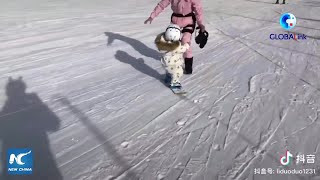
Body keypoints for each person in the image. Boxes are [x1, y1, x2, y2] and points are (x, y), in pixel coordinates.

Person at [144, 0, 206, 74]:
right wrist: (152, 16)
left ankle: (188, 63)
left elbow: (198, 10)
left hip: (188, 21)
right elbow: (161, 5)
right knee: (172, 39)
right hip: (175, 21)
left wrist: (200, 24)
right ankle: (171, 61)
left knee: (185, 40)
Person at [154, 24, 190, 91]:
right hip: (173, 63)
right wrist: (186, 45)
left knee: (169, 70)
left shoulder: (162, 43)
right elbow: (182, 49)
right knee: (178, 72)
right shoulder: (175, 46)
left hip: (165, 62)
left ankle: (168, 78)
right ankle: (175, 84)